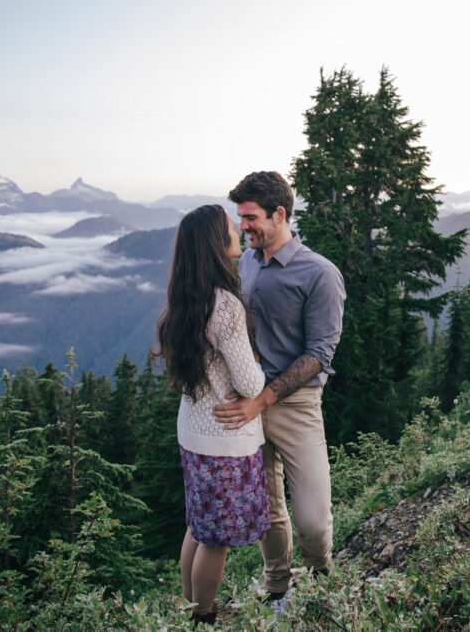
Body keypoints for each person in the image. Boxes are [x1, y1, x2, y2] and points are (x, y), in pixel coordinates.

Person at [212, 170, 345, 601]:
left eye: (250, 218)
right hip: (245, 401)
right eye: (240, 218)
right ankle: (276, 587)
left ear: (279, 214)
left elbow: (320, 353)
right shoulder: (246, 261)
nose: (242, 227)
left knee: (312, 518)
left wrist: (264, 399)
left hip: (296, 404)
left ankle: (319, 576)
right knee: (266, 508)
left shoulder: (319, 274)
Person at [156, 204, 269, 626]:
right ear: (214, 243)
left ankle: (188, 607)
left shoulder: (185, 300)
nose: (238, 231)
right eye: (229, 227)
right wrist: (260, 363)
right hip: (224, 438)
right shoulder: (224, 306)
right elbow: (251, 384)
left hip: (194, 431)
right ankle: (203, 616)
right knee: (216, 540)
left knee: (198, 527)